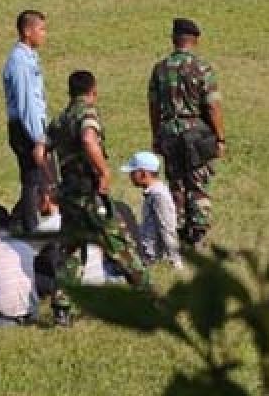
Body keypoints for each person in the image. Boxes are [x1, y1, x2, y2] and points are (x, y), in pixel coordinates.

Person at [46, 70, 149, 324]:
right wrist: (103, 172)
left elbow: (40, 151)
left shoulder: (59, 119)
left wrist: (52, 181)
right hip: (89, 195)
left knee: (70, 250)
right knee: (118, 244)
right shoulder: (87, 115)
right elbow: (89, 139)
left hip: (68, 194)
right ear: (93, 91)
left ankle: (61, 306)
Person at [147, 18, 226, 246]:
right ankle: (198, 232)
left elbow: (153, 106)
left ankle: (177, 229)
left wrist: (156, 135)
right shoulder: (202, 68)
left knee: (176, 182)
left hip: (169, 131)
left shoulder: (160, 69)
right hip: (196, 132)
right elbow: (212, 105)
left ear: (174, 40)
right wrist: (219, 136)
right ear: (196, 40)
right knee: (197, 182)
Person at [2, 9, 50, 233]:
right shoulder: (20, 62)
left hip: (31, 126)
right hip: (25, 128)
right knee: (32, 180)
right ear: (27, 31)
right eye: (41, 29)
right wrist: (38, 137)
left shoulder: (29, 57)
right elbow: (26, 103)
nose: (44, 34)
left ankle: (14, 222)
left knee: (38, 178)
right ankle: (29, 228)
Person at [122, 151, 183, 270]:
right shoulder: (153, 191)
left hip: (148, 254)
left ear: (143, 174)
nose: (130, 176)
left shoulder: (159, 195)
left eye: (133, 172)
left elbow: (167, 228)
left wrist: (176, 262)